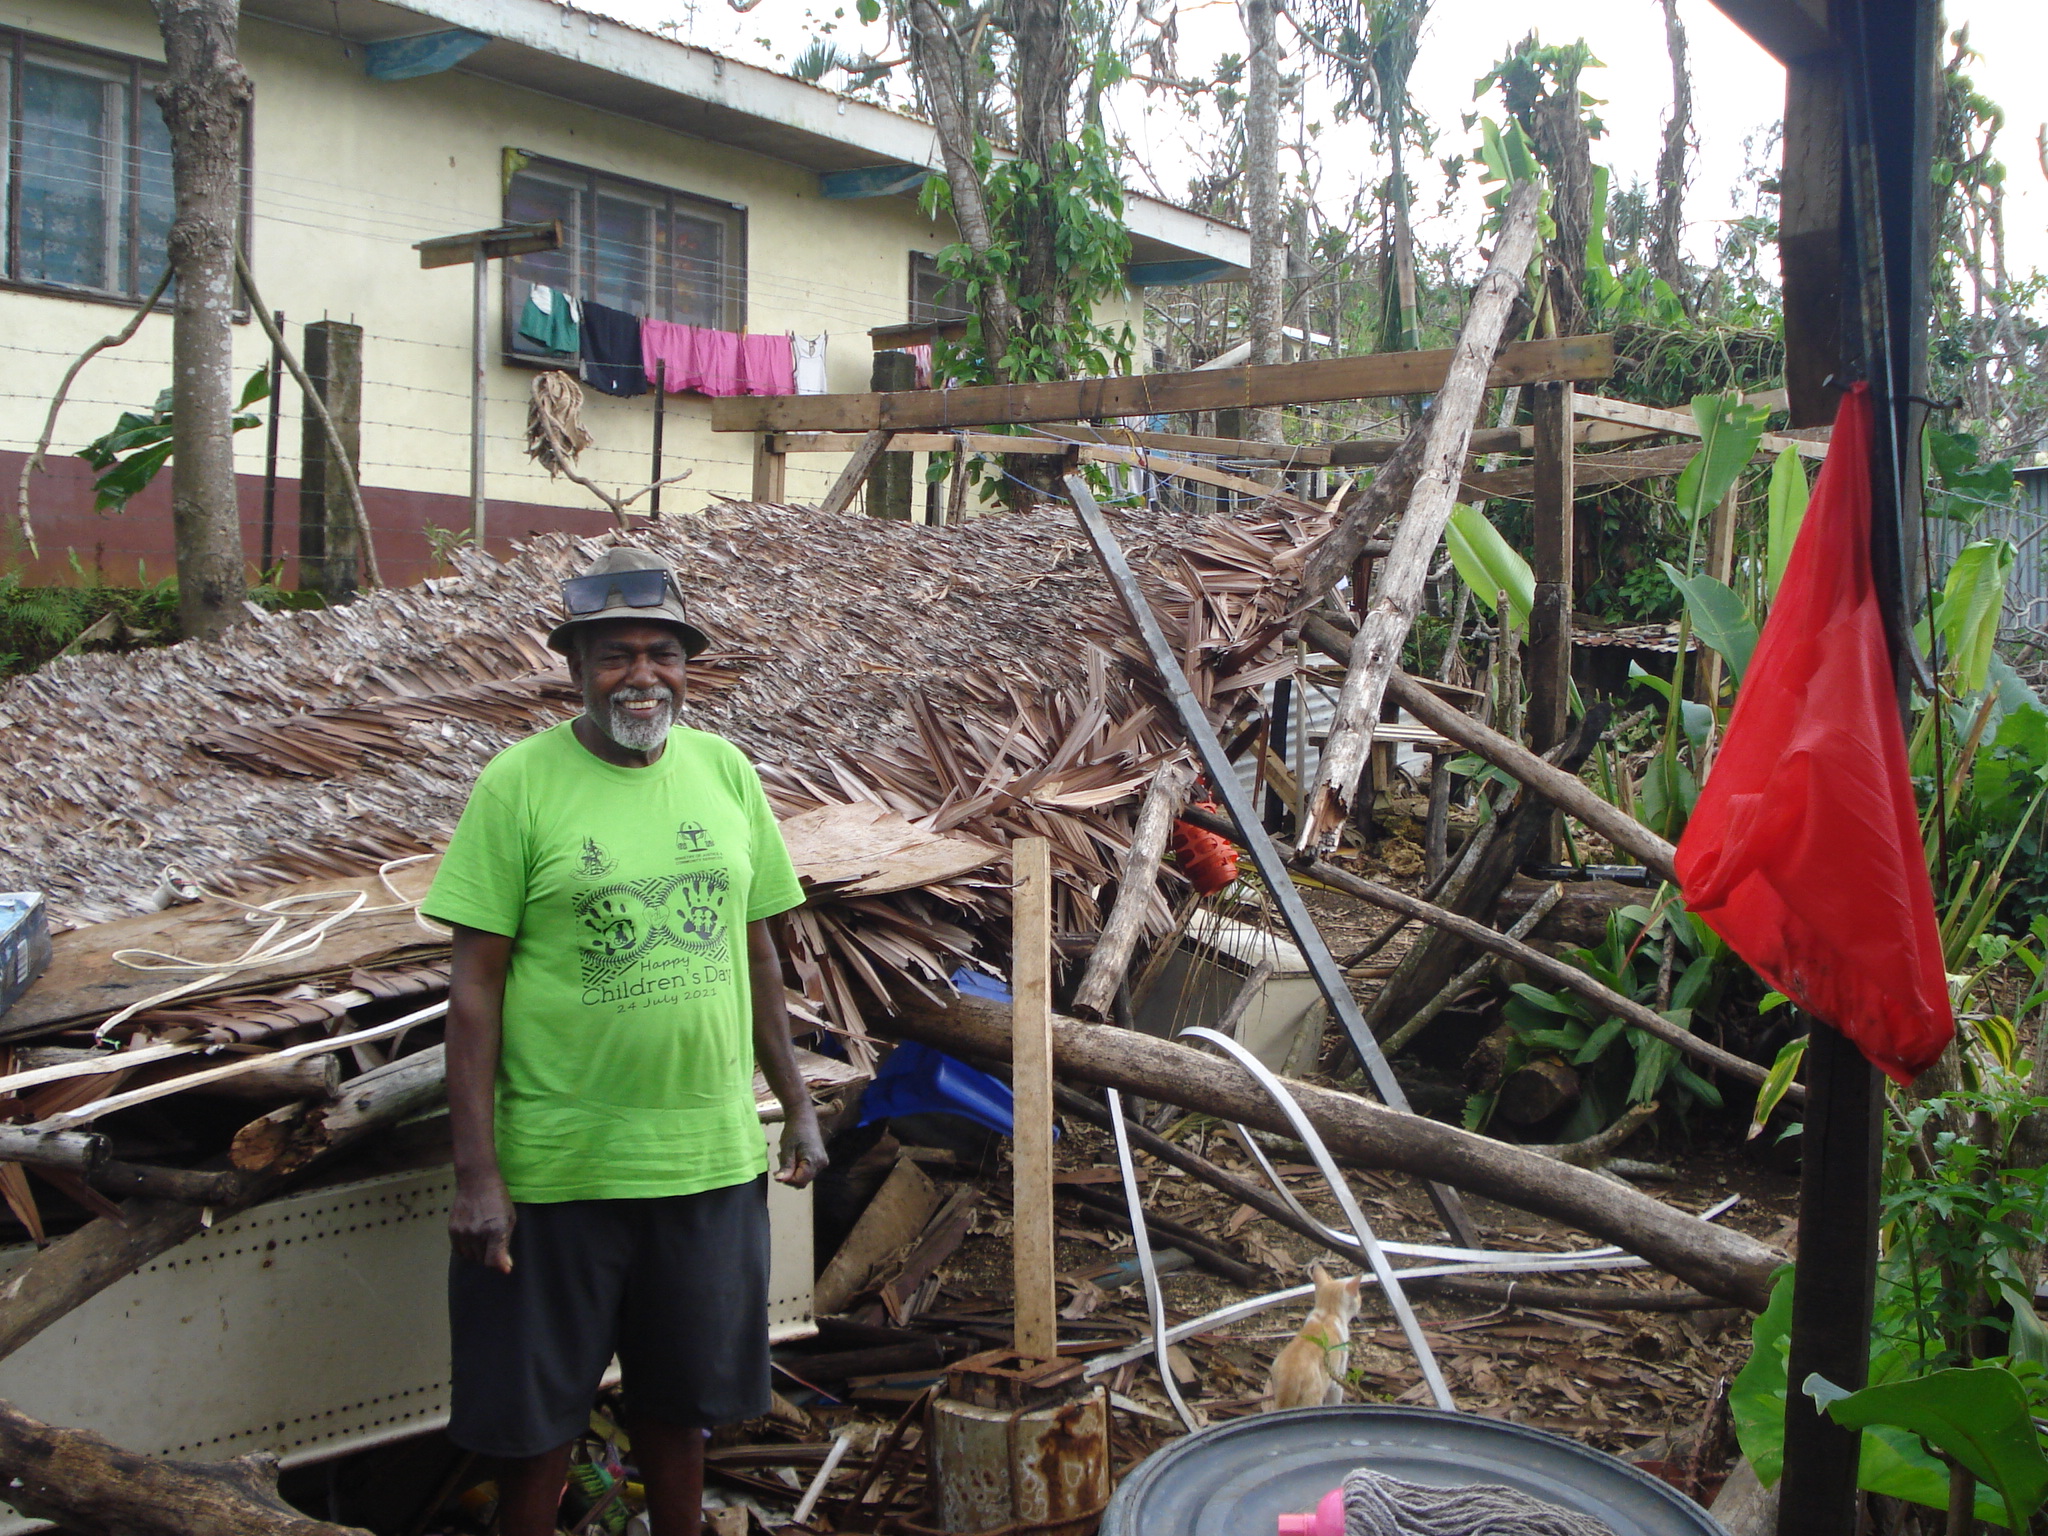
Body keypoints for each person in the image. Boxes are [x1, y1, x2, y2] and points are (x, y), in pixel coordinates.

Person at [422, 546, 828, 1536]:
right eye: (614, 656)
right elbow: (471, 995)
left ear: (687, 666)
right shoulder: (517, 788)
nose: (641, 676)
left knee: (680, 1410)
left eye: (661, 653)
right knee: (532, 1426)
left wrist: (800, 1106)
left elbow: (760, 958)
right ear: (574, 669)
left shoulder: (726, 773)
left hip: (704, 1160)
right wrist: (477, 1176)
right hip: (560, 1169)